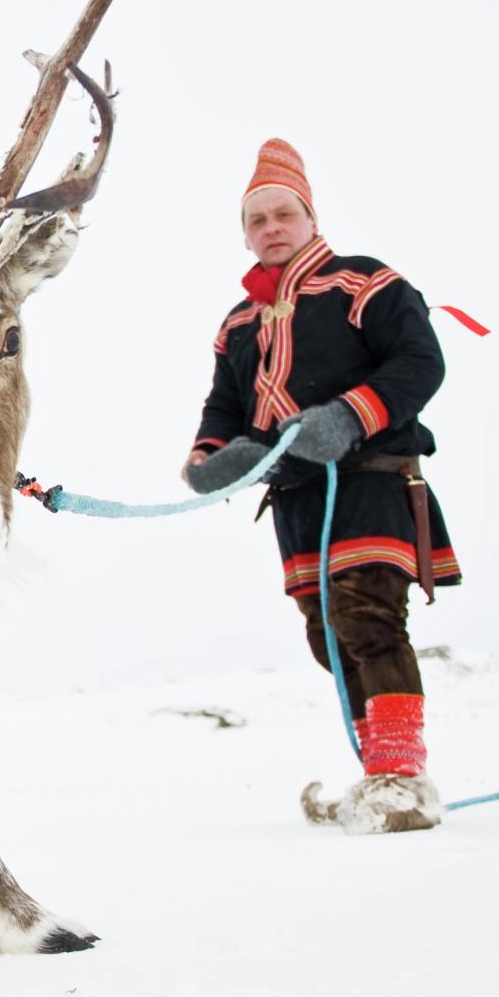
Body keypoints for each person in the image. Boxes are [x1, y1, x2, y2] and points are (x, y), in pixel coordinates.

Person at [184, 139, 460, 834]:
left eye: (284, 214)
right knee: (328, 635)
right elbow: (223, 406)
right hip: (296, 497)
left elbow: (420, 360)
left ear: (310, 218)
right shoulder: (238, 322)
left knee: (366, 614)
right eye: (257, 220)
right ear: (244, 233)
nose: (271, 228)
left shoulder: (366, 283)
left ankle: (401, 778)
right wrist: (210, 458)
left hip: (371, 477)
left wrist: (347, 415)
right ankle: (379, 776)